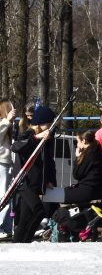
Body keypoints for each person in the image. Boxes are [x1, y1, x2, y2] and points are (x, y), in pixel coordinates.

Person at [10, 104, 57, 243]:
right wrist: (37, 138)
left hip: (36, 183)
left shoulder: (48, 138)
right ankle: (27, 241)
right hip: (24, 182)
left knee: (25, 217)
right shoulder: (29, 134)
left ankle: (18, 243)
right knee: (39, 211)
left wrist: (49, 179)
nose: (50, 126)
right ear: (41, 122)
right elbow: (16, 146)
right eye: (48, 123)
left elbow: (48, 161)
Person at [41, 130, 102, 205]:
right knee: (57, 194)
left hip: (86, 191)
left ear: (84, 141)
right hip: (92, 189)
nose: (77, 145)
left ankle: (49, 215)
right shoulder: (96, 152)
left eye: (78, 142)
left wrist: (77, 158)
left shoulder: (89, 155)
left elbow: (76, 174)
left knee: (50, 196)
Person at [0, 99, 16, 237]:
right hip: (1, 163)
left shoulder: (9, 125)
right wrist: (7, 122)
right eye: (11, 108)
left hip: (6, 163)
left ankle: (6, 227)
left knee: (7, 196)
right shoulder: (3, 123)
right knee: (3, 195)